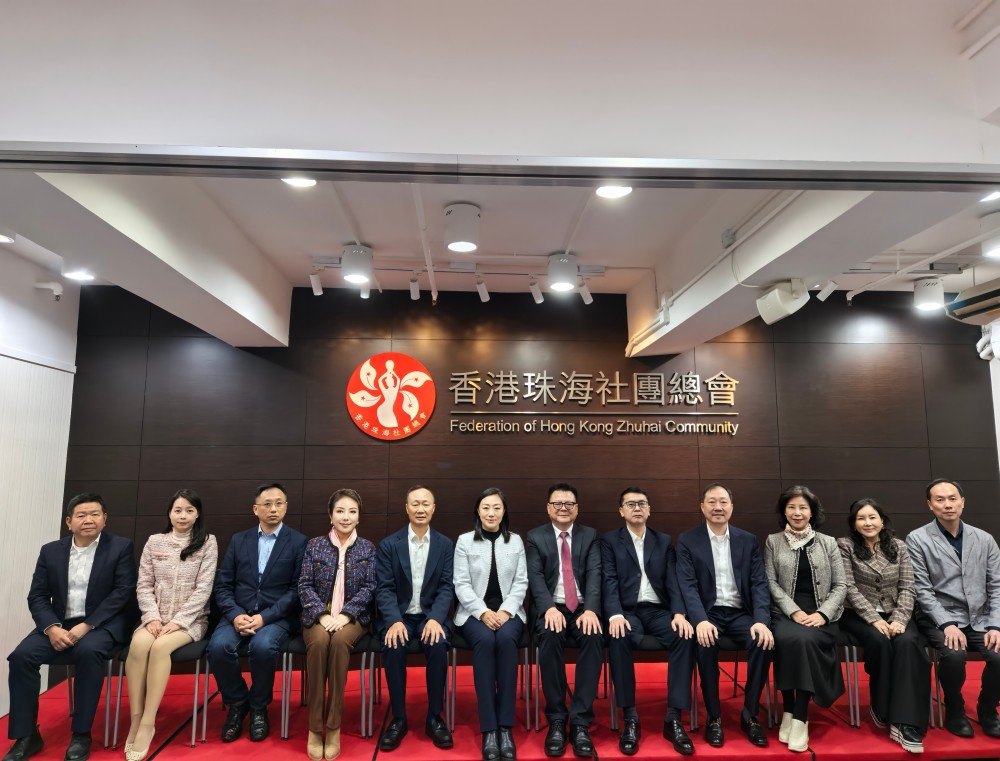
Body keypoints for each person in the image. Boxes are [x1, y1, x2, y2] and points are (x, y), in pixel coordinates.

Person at [5, 493, 137, 761]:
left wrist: (87, 625)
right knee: (21, 657)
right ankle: (26, 736)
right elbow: (37, 596)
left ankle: (81, 734)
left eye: (95, 514)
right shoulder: (50, 551)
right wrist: (52, 628)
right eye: (81, 515)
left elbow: (122, 593)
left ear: (104, 519)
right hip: (60, 623)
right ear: (69, 521)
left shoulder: (120, 547)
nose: (88, 520)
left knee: (88, 652)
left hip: (102, 624)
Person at [206, 482, 307, 743]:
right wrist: (235, 615)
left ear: (286, 507)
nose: (273, 509)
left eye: (279, 503)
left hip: (276, 617)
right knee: (218, 647)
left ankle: (259, 707)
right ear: (255, 509)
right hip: (238, 613)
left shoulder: (298, 542)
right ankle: (238, 703)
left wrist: (265, 617)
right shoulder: (239, 540)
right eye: (267, 504)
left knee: (262, 647)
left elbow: (296, 591)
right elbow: (223, 585)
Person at [676, 483, 773, 749]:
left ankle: (750, 715)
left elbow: (759, 583)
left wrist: (761, 621)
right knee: (704, 642)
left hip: (741, 613)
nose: (718, 507)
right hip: (708, 613)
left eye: (723, 502)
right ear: (702, 507)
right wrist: (700, 620)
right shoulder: (687, 540)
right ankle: (714, 717)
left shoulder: (748, 540)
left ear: (731, 506)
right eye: (712, 502)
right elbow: (687, 585)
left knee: (763, 642)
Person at [124, 489, 218, 761]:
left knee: (160, 648)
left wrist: (178, 621)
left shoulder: (207, 542)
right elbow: (144, 584)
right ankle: (135, 717)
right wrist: (152, 617)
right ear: (169, 513)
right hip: (154, 618)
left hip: (191, 621)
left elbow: (204, 589)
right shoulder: (155, 541)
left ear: (197, 514)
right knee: (138, 645)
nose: (183, 516)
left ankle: (148, 723)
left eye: (189, 510)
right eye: (178, 510)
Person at [601, 486, 696, 756]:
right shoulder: (609, 541)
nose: (637, 508)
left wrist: (679, 614)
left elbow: (673, 581)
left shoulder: (663, 541)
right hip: (627, 611)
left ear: (649, 510)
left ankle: (673, 718)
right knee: (618, 635)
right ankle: (630, 717)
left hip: (657, 611)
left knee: (683, 635)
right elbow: (608, 580)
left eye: (642, 503)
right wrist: (615, 614)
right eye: (631, 504)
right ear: (621, 511)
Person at [906, 478, 1000, 739]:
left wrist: (995, 625)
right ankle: (955, 708)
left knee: (999, 654)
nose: (947, 504)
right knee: (954, 654)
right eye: (940, 500)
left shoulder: (984, 539)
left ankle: (988, 708)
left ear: (962, 502)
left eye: (952, 498)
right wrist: (947, 624)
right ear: (930, 505)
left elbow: (997, 585)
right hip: (940, 617)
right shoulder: (917, 539)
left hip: (981, 618)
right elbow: (921, 589)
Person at [837, 497, 928, 753]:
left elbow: (908, 587)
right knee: (879, 641)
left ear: (882, 520)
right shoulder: (844, 546)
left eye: (872, 517)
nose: (868, 523)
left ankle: (906, 722)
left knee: (909, 642)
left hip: (896, 611)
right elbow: (848, 588)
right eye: (861, 518)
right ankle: (881, 705)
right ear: (854, 524)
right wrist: (874, 619)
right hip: (857, 613)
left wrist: (899, 618)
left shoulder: (898, 546)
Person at [764, 485, 846, 753]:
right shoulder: (773, 541)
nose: (797, 513)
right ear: (784, 511)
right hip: (785, 614)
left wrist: (823, 614)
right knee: (789, 640)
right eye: (791, 507)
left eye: (803, 507)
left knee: (805, 641)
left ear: (812, 512)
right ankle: (788, 709)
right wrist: (793, 611)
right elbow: (770, 582)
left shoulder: (828, 542)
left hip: (822, 615)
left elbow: (841, 585)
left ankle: (799, 715)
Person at [298, 488, 376, 761]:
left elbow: (370, 587)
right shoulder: (315, 545)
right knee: (320, 642)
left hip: (353, 618)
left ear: (359, 517)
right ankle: (314, 727)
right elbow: (304, 585)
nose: (346, 517)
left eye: (352, 511)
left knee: (341, 642)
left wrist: (345, 615)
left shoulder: (367, 548)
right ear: (330, 515)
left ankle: (333, 727)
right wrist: (322, 614)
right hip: (317, 617)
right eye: (340, 511)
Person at [525, 483, 602, 758]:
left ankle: (580, 720)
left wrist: (591, 610)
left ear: (577, 509)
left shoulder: (590, 535)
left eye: (569, 504)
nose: (563, 508)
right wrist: (548, 608)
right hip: (552, 606)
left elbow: (595, 574)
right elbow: (534, 577)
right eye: (557, 503)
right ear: (548, 508)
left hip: (582, 608)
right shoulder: (535, 537)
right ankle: (557, 718)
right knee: (549, 635)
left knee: (594, 636)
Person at [375, 486, 455, 752]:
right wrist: (394, 620)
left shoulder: (445, 544)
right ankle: (399, 718)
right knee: (394, 646)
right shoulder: (389, 544)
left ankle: (434, 717)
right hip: (400, 616)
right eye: (415, 504)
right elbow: (384, 588)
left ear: (433, 508)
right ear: (407, 508)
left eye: (425, 504)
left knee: (437, 644)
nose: (420, 509)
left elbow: (446, 586)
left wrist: (436, 618)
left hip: (430, 615)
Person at [453, 488, 528, 761]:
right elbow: (461, 583)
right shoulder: (464, 541)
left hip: (510, 612)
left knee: (506, 640)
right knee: (485, 641)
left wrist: (506, 611)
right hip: (473, 613)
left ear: (504, 511)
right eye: (486, 507)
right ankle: (489, 728)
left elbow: (521, 582)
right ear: (478, 511)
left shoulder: (515, 541)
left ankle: (505, 727)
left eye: (496, 507)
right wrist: (483, 612)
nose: (491, 513)